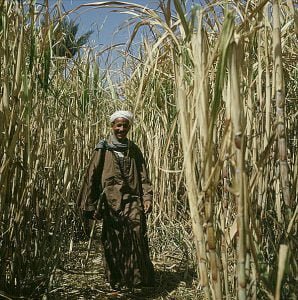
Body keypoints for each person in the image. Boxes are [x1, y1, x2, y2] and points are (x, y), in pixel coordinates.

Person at [76, 110, 155, 291]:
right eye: (118, 125)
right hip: (110, 202)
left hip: (132, 200)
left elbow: (143, 177)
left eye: (125, 125)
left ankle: (137, 279)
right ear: (112, 126)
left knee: (136, 233)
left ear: (129, 127)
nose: (121, 129)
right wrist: (89, 204)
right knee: (113, 239)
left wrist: (147, 197)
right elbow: (91, 176)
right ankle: (116, 280)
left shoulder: (133, 149)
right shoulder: (103, 148)